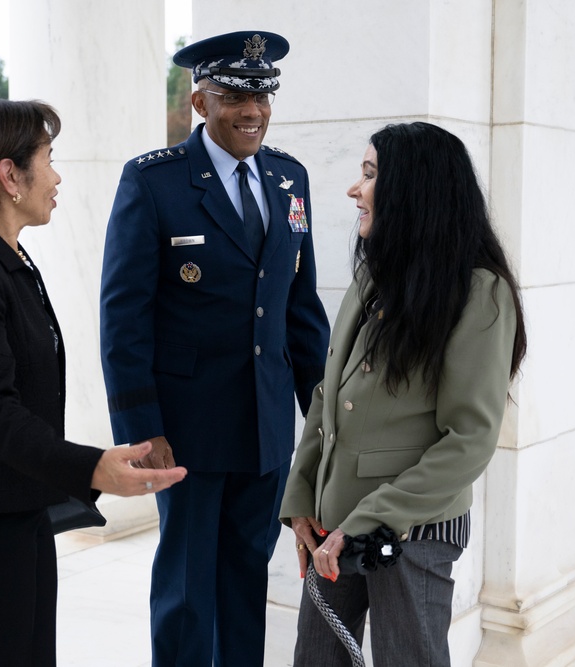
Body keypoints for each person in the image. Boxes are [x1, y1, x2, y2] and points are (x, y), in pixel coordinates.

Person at [0, 98, 187, 666]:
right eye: (49, 158)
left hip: (12, 507)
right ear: (11, 175)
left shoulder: (4, 257)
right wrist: (91, 466)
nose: (57, 176)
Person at [99, 31, 330, 667]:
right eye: (233, 95)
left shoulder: (290, 179)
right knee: (185, 587)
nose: (252, 110)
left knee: (244, 579)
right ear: (200, 103)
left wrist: (326, 422)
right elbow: (123, 319)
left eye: (262, 94)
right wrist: (143, 430)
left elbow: (300, 309)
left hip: (264, 426)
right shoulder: (155, 182)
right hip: (186, 433)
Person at [280, 122, 527, 666]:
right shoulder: (374, 276)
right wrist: (301, 498)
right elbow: (328, 394)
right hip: (332, 524)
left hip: (412, 532)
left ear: (412, 189)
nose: (354, 189)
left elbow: (469, 438)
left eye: (369, 175)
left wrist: (371, 518)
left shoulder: (479, 294)